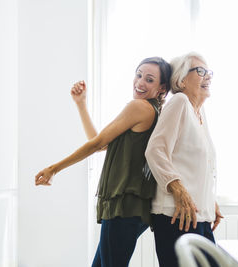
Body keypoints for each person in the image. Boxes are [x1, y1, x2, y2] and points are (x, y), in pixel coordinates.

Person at [35, 57, 172, 267]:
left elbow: (97, 143)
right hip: (130, 205)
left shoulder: (140, 108)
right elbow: (102, 145)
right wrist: (81, 105)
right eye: (138, 75)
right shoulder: (153, 112)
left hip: (124, 204)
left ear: (162, 88)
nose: (140, 82)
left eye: (149, 79)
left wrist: (54, 169)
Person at [145, 52, 223, 267]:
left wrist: (209, 200)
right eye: (200, 71)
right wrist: (178, 189)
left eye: (209, 72)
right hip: (175, 215)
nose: (208, 76)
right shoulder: (179, 101)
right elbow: (155, 150)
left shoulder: (199, 112)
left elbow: (197, 164)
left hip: (198, 215)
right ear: (180, 80)